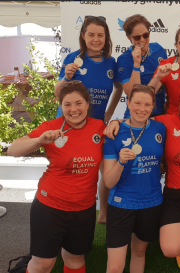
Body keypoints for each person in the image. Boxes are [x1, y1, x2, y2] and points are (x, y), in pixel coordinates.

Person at [105, 87, 180, 272]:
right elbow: (139, 119)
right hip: (175, 195)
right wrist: (115, 121)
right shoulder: (168, 123)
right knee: (171, 249)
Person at [8, 81, 106, 273]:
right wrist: (39, 140)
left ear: (87, 104)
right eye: (67, 104)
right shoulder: (51, 127)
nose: (73, 109)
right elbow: (13, 149)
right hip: (50, 206)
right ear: (61, 106)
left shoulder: (99, 128)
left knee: (75, 259)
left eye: (78, 103)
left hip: (84, 208)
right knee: (43, 263)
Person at [54, 15, 123, 224]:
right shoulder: (73, 59)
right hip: (69, 126)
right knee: (70, 169)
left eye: (100, 35)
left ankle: (103, 213)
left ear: (106, 37)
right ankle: (61, 211)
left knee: (105, 170)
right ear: (83, 36)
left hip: (95, 126)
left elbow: (119, 88)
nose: (96, 39)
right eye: (91, 34)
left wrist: (109, 113)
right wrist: (66, 77)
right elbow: (58, 93)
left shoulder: (111, 62)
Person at [103, 85, 166, 273]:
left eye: (147, 104)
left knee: (139, 252)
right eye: (137, 103)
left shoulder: (160, 128)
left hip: (151, 202)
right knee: (115, 267)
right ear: (128, 103)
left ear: (153, 107)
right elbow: (108, 182)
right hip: (121, 203)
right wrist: (121, 162)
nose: (142, 108)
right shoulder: (113, 132)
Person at [117, 14, 167, 118]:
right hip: (135, 115)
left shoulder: (159, 49)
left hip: (159, 115)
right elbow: (131, 93)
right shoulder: (124, 59)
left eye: (145, 35)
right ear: (129, 37)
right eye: (137, 37)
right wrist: (136, 64)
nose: (142, 40)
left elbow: (167, 80)